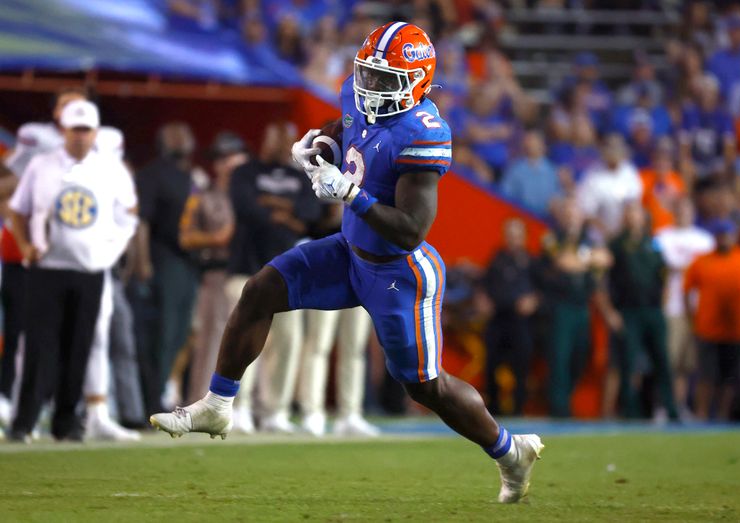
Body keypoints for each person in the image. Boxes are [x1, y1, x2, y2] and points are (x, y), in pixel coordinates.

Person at [151, 22, 544, 503]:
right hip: (348, 252)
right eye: (368, 74)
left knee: (425, 387)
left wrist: (351, 194)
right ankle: (218, 402)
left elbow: (411, 229)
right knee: (260, 290)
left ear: (417, 81)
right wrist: (323, 146)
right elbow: (348, 130)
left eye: (385, 79)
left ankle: (509, 452)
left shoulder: (423, 131)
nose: (370, 87)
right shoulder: (359, 98)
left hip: (400, 272)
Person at [7, 100, 138, 442]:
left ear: (95, 132)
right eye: (74, 130)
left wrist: (109, 252)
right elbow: (18, 209)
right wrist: (25, 246)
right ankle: (24, 422)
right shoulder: (41, 164)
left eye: (85, 130)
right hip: (47, 267)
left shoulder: (111, 168)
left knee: (79, 347)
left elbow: (129, 214)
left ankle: (66, 423)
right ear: (63, 131)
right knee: (38, 346)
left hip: (90, 270)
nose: (80, 136)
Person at [225, 122, 320, 434]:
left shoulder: (300, 175)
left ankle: (274, 410)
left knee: (288, 341)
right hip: (246, 268)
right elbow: (246, 208)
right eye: (274, 135)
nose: (280, 142)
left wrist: (274, 205)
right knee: (245, 340)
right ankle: (238, 408)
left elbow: (311, 212)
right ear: (264, 138)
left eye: (285, 137)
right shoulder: (245, 171)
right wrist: (284, 216)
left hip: (285, 273)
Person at [298, 204, 379, 437]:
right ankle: (312, 412)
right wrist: (332, 215)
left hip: (362, 272)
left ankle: (350, 413)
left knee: (354, 347)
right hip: (327, 272)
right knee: (318, 344)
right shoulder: (324, 180)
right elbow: (309, 224)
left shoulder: (372, 184)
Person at [135, 122, 200, 414]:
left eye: (185, 134)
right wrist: (143, 260)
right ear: (164, 142)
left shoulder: (191, 176)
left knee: (179, 335)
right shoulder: (152, 174)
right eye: (176, 135)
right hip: (164, 260)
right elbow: (142, 221)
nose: (183, 139)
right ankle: (148, 400)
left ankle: (157, 393)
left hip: (189, 263)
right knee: (162, 334)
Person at [182, 132, 243, 404]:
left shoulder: (253, 193)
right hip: (217, 271)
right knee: (212, 339)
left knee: (251, 340)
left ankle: (243, 406)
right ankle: (201, 401)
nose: (227, 163)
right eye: (221, 158)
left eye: (231, 156)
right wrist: (217, 238)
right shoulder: (204, 195)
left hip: (250, 271)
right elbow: (186, 235)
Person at [539, 198, 612, 417]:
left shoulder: (588, 240)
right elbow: (563, 262)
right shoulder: (552, 238)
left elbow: (606, 259)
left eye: (575, 213)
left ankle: (565, 396)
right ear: (561, 216)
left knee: (581, 355)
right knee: (559, 357)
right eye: (567, 213)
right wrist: (589, 260)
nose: (571, 217)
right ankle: (559, 407)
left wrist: (581, 259)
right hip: (561, 306)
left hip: (583, 306)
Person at [606, 202, 678, 421]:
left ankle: (671, 409)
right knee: (629, 363)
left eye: (635, 213)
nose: (632, 217)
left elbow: (664, 275)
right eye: (628, 213)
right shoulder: (616, 244)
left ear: (643, 218)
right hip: (629, 311)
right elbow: (604, 280)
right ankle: (631, 411)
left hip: (653, 310)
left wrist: (663, 305)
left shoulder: (653, 243)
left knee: (663, 361)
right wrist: (610, 311)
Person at [683, 219, 740, 421]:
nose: (724, 239)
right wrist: (691, 318)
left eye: (727, 235)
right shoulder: (702, 261)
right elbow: (687, 290)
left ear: (734, 236)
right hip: (707, 328)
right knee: (706, 375)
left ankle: (723, 415)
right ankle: (701, 414)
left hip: (736, 329)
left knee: (730, 377)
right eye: (720, 235)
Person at [655, 198, 714, 418]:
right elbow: (659, 269)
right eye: (679, 208)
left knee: (686, 364)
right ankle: (662, 406)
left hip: (698, 308)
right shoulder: (661, 237)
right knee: (667, 360)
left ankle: (678, 406)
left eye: (687, 209)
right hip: (672, 306)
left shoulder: (705, 240)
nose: (683, 213)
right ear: (673, 211)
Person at [483, 219, 539, 415]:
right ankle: (493, 408)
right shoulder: (497, 259)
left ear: (523, 237)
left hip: (521, 321)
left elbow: (543, 289)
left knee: (521, 367)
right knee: (491, 365)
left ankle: (518, 409)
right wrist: (484, 300)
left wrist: (534, 300)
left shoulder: (532, 262)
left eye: (517, 235)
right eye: (510, 235)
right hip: (498, 318)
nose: (513, 239)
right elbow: (485, 284)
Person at [576, 133, 643, 239]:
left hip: (625, 234)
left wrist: (622, 231)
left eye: (618, 152)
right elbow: (587, 213)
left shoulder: (629, 171)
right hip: (599, 236)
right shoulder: (593, 175)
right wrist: (607, 232)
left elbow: (634, 203)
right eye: (612, 152)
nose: (615, 156)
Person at [499, 130, 562, 217]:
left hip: (548, 221)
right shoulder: (514, 170)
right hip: (522, 218)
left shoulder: (553, 171)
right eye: (528, 141)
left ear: (542, 145)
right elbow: (505, 196)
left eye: (534, 142)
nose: (531, 145)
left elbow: (559, 197)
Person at [639, 138, 686, 233]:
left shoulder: (677, 180)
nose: (661, 164)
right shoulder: (643, 177)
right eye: (658, 159)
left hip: (673, 231)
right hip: (651, 230)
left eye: (666, 160)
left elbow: (681, 206)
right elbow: (640, 207)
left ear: (671, 163)